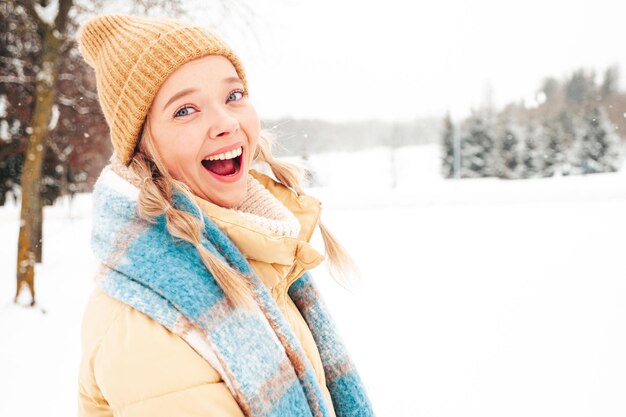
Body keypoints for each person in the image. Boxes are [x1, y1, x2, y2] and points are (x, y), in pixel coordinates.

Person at [76, 14, 374, 417]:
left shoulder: (260, 256)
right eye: (185, 110)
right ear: (142, 147)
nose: (226, 122)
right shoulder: (149, 322)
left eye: (233, 96)